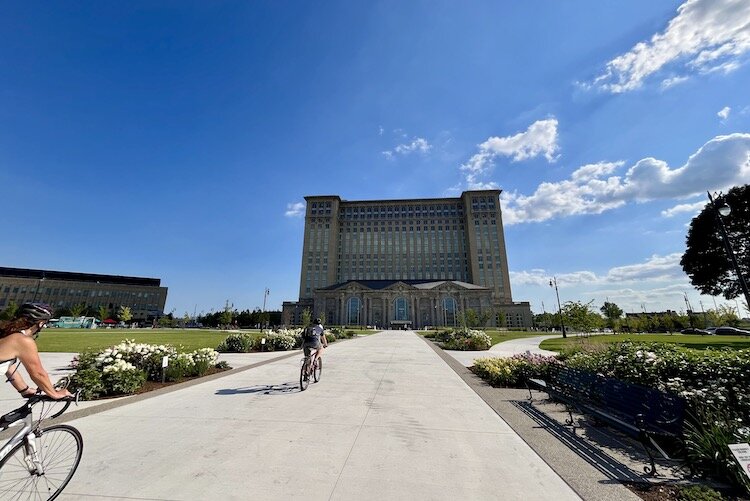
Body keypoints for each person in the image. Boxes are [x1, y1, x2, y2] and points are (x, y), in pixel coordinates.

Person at [0, 303, 72, 400]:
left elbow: (8, 366)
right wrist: (54, 394)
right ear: (40, 323)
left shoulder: (7, 333)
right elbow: (38, 373)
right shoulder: (22, 340)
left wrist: (24, 390)